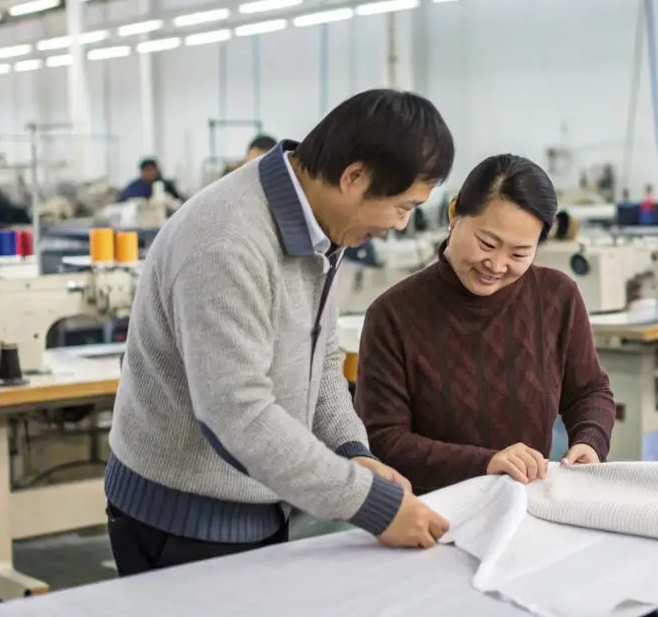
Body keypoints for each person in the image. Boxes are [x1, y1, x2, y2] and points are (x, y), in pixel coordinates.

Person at [104, 89, 454, 576]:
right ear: (354, 177)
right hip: (180, 519)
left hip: (261, 502)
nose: (402, 224)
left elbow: (321, 358)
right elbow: (237, 416)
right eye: (402, 206)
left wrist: (353, 452)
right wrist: (371, 505)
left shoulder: (323, 227)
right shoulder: (227, 241)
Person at [354, 154, 616, 494]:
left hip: (525, 505)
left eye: (519, 254)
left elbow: (590, 390)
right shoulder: (392, 314)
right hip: (431, 515)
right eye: (487, 244)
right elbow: (384, 440)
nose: (496, 264)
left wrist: (590, 441)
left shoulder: (556, 296)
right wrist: (486, 463)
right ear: (454, 214)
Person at [119, 158, 185, 202]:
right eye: (146, 171)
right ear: (141, 172)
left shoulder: (166, 185)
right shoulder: (134, 186)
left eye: (151, 170)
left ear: (156, 171)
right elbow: (122, 200)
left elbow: (180, 201)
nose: (148, 174)